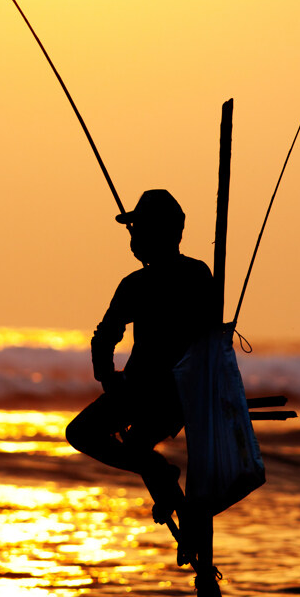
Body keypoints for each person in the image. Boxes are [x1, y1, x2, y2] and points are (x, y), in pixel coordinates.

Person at [65, 189, 220, 527]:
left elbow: (103, 339)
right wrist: (111, 380)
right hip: (177, 396)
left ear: (159, 232)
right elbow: (212, 337)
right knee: (130, 444)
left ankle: (161, 478)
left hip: (156, 394)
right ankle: (169, 494)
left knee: (93, 436)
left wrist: (110, 380)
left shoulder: (139, 284)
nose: (133, 238)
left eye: (138, 228)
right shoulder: (199, 274)